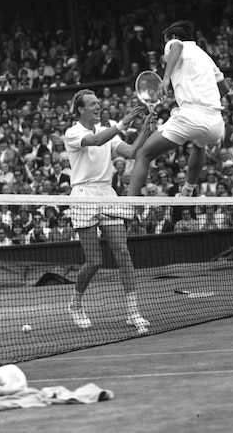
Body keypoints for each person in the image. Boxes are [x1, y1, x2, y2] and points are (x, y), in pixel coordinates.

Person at [63, 89, 153, 334]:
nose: (97, 107)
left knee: (123, 252)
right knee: (94, 261)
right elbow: (96, 141)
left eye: (98, 103)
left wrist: (145, 128)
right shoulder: (73, 133)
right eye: (92, 104)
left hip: (107, 194)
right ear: (80, 109)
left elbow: (132, 152)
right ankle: (75, 304)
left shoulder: (109, 133)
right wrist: (123, 122)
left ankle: (133, 312)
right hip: (83, 197)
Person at [128, 21, 230, 197]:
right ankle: (187, 190)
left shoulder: (174, 43)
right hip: (215, 123)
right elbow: (225, 88)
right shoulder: (205, 56)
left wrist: (166, 79)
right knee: (199, 146)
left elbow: (176, 46)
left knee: (143, 153)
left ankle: (127, 206)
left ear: (172, 37)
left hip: (191, 116)